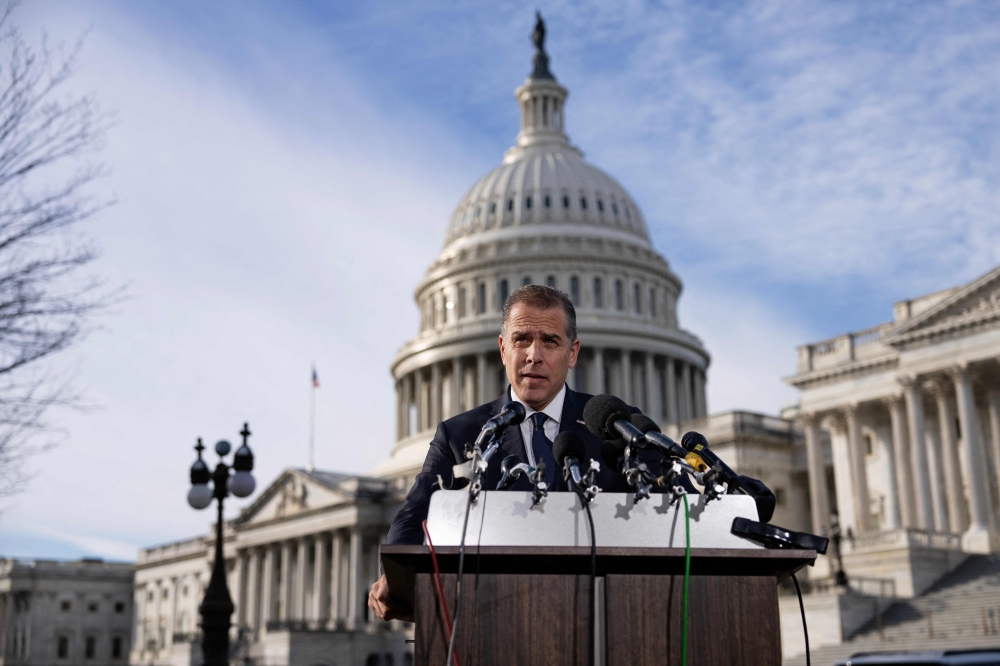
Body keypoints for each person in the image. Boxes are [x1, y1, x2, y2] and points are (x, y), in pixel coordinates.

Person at [368, 284, 681, 622]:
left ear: (572, 353)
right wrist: (401, 579)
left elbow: (678, 508)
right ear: (503, 349)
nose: (534, 355)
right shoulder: (461, 436)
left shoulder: (616, 428)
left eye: (550, 340)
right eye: (521, 340)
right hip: (492, 624)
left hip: (606, 621)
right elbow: (413, 522)